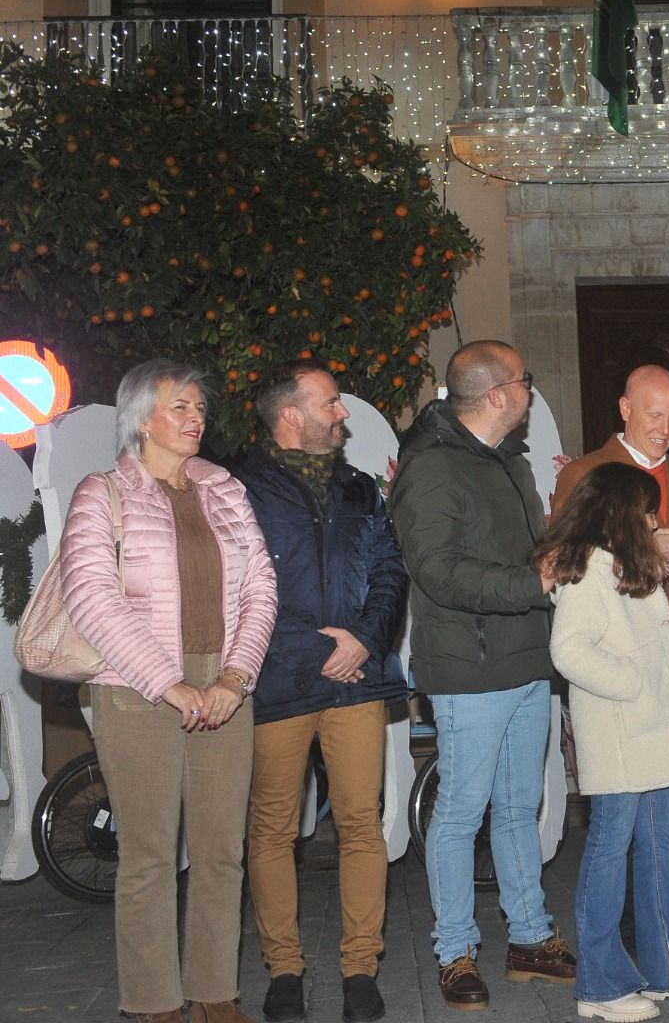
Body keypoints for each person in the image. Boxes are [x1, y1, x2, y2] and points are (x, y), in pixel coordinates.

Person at [60, 358, 277, 1023]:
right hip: (134, 688)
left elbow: (261, 587)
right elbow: (89, 596)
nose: (194, 418)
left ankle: (214, 994)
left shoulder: (226, 491)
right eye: (178, 406)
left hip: (224, 684)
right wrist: (169, 682)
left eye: (198, 408)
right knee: (149, 854)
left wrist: (236, 676)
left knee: (221, 851)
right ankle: (153, 1002)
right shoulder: (103, 493)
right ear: (140, 419)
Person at [388, 340, 575, 1010]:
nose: (530, 391)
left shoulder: (511, 463)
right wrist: (533, 582)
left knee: (520, 805)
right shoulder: (431, 468)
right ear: (496, 394)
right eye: (524, 381)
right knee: (461, 811)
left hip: (526, 656)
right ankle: (455, 951)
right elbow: (435, 571)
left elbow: (530, 556)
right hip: (468, 666)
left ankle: (528, 935)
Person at [235, 361, 408, 1023]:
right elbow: (239, 598)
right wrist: (322, 648)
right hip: (280, 680)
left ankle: (361, 969)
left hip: (357, 682)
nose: (342, 414)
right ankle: (284, 970)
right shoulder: (239, 490)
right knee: (273, 829)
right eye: (330, 403)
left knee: (360, 824)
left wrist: (364, 639)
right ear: (290, 416)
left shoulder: (360, 487)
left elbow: (391, 573)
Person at [544, 463, 669, 1022]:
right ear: (625, 513)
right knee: (609, 852)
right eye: (648, 511)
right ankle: (598, 986)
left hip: (653, 734)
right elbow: (569, 651)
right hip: (624, 735)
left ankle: (664, 965)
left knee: (658, 851)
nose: (655, 520)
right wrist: (632, 684)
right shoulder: (588, 572)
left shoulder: (628, 565)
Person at [551, 364, 669, 738]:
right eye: (654, 415)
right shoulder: (583, 474)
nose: (665, 429)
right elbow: (565, 562)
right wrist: (646, 552)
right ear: (625, 409)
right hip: (619, 662)